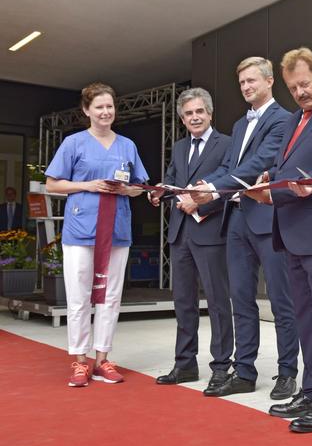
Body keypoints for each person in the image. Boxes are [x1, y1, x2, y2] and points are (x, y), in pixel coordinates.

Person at [245, 47, 312, 434]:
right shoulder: (296, 117)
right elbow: (283, 164)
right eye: (293, 88)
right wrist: (267, 179)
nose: (300, 93)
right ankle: (309, 390)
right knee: (306, 319)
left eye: (305, 84)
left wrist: (276, 193)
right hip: (291, 232)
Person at [191, 57, 298, 400]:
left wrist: (213, 187)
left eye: (252, 81)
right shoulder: (239, 125)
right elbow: (229, 164)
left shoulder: (284, 119)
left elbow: (260, 163)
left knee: (281, 300)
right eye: (242, 83)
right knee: (241, 298)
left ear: (269, 82)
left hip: (267, 218)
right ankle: (245, 370)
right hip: (236, 219)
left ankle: (287, 372)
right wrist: (205, 185)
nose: (247, 87)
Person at [44, 82, 148, 387]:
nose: (106, 112)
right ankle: (80, 360)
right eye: (99, 107)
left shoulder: (127, 145)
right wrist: (87, 185)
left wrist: (129, 190)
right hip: (81, 229)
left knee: (111, 296)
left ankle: (103, 358)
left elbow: (140, 186)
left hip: (116, 230)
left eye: (110, 106)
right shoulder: (73, 143)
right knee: (79, 296)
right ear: (87, 111)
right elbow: (52, 184)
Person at [148, 88, 234, 392]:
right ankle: (185, 363)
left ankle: (222, 366)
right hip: (180, 233)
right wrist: (161, 191)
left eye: (199, 111)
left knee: (217, 302)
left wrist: (200, 204)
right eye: (188, 114)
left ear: (210, 113)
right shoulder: (180, 146)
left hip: (210, 232)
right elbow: (173, 180)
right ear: (182, 119)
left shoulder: (227, 144)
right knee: (183, 302)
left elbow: (230, 186)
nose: (194, 117)